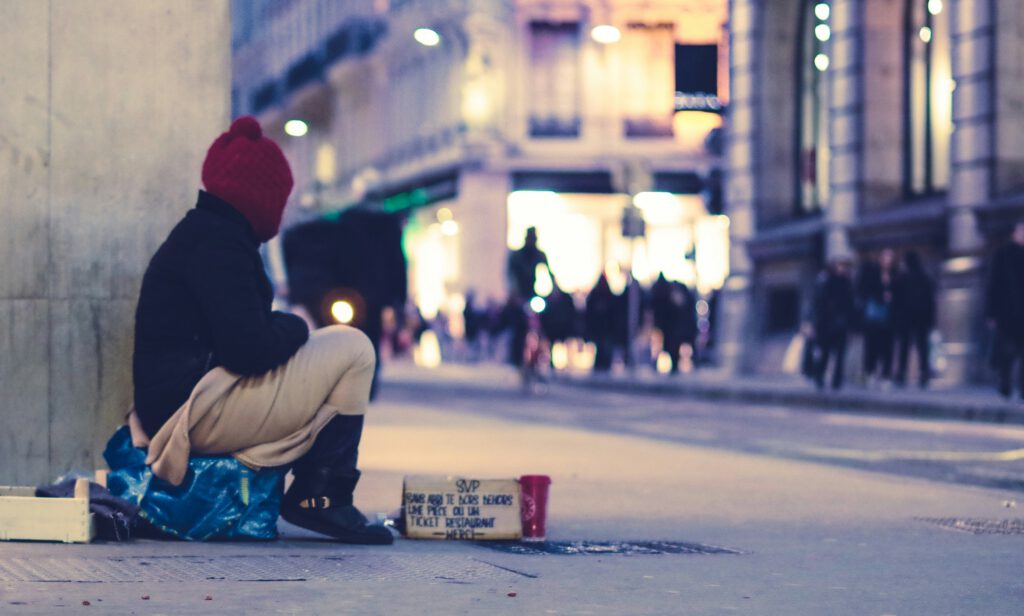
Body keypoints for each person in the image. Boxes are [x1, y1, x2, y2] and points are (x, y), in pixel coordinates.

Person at [131, 117, 392, 544]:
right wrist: (293, 326)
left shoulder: (208, 234)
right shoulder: (218, 244)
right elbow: (248, 349)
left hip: (188, 400)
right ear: (261, 194)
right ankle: (322, 495)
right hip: (190, 414)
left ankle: (320, 489)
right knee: (354, 346)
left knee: (337, 343)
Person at [985, 220, 1024, 399]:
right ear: (1014, 233)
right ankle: (1005, 383)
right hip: (1007, 313)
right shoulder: (1002, 255)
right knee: (1007, 352)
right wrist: (991, 313)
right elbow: (994, 285)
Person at [505, 227, 550, 366]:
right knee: (519, 326)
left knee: (545, 321)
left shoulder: (539, 255)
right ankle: (516, 358)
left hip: (533, 294)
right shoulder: (517, 256)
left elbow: (549, 272)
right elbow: (510, 275)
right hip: (520, 295)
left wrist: (554, 290)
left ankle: (544, 355)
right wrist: (513, 293)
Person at [892, 251, 936, 388]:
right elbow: (930, 301)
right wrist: (931, 319)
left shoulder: (902, 279)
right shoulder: (925, 278)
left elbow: (896, 301)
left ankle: (901, 374)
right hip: (922, 318)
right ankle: (923, 373)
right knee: (922, 347)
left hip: (906, 318)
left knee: (905, 347)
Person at [812, 257, 857, 390]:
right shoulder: (825, 281)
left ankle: (836, 381)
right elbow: (818, 304)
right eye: (839, 265)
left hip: (840, 324)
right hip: (826, 325)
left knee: (840, 354)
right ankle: (819, 377)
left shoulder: (846, 283)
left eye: (843, 266)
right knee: (825, 353)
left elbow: (850, 306)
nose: (841, 268)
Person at [857, 248, 897, 386]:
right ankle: (870, 373)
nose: (888, 261)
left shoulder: (895, 275)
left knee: (887, 348)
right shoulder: (872, 273)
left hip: (888, 316)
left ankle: (886, 375)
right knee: (871, 346)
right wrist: (881, 295)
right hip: (874, 315)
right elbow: (865, 290)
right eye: (885, 258)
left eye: (890, 259)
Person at [651, 274, 698, 374]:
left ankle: (679, 365)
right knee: (673, 348)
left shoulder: (674, 299)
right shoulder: (670, 299)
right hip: (674, 331)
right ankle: (675, 366)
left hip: (678, 330)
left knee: (676, 347)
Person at [585, 274, 617, 372]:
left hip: (605, 328)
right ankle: (601, 365)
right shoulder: (598, 295)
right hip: (600, 328)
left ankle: (604, 365)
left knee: (604, 347)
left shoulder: (606, 295)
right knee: (600, 347)